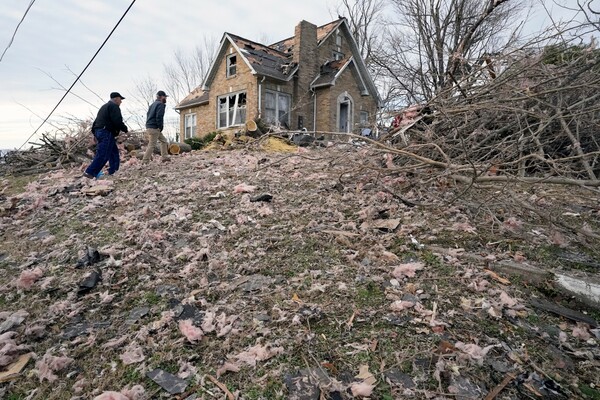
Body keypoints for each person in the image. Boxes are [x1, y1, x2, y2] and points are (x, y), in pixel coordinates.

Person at [83, 92, 128, 179]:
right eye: (120, 99)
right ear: (115, 99)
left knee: (113, 152)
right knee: (103, 154)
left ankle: (114, 170)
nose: (121, 102)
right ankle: (90, 172)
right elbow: (117, 121)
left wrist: (95, 133)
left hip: (99, 131)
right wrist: (125, 129)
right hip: (106, 132)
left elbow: (96, 122)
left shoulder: (104, 107)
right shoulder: (114, 106)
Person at [143, 90, 170, 164]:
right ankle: (145, 161)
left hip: (149, 126)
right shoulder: (161, 104)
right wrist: (160, 127)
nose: (166, 99)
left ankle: (164, 157)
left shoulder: (152, 105)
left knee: (164, 141)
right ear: (161, 97)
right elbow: (159, 116)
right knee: (151, 145)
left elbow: (148, 115)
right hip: (155, 127)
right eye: (165, 97)